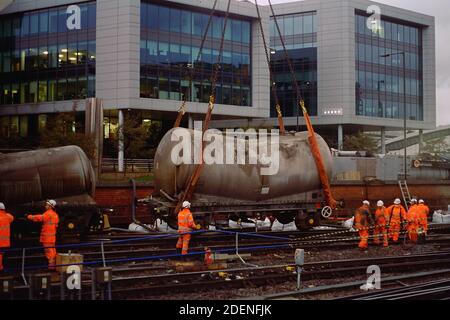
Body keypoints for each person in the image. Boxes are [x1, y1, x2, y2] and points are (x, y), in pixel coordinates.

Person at [27, 200, 59, 270]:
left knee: (48, 251)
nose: (45, 206)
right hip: (52, 236)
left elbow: (40, 217)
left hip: (47, 237)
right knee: (53, 250)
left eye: (47, 205)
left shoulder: (48, 214)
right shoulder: (55, 214)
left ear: (50, 206)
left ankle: (51, 266)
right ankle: (54, 264)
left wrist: (29, 216)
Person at [0, 202, 14, 272]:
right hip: (5, 242)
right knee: (3, 255)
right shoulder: (8, 216)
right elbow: (12, 217)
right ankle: (2, 268)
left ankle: (1, 269)